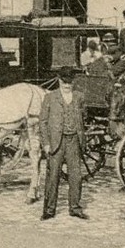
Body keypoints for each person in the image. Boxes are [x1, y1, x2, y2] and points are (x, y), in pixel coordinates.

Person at [38, 67, 88, 220]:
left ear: (73, 82)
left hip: (74, 140)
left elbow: (83, 116)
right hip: (55, 142)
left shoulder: (79, 97)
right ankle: (49, 209)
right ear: (59, 81)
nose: (67, 85)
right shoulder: (50, 97)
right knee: (53, 175)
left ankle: (75, 207)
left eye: (70, 82)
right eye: (64, 82)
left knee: (76, 176)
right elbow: (43, 121)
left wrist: (80, 135)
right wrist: (45, 143)